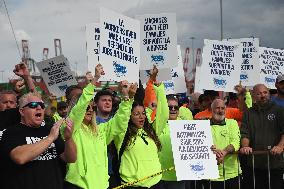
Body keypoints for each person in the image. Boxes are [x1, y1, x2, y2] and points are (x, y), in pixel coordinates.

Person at [64, 64, 138, 189]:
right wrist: (95, 80)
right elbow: (78, 109)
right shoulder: (71, 128)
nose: (89, 110)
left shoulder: (100, 129)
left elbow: (119, 122)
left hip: (102, 185)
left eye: (92, 107)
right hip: (78, 186)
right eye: (86, 108)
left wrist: (127, 98)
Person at [0, 92, 77, 189]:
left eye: (41, 105)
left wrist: (69, 138)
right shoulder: (11, 132)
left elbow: (70, 158)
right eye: (33, 105)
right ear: (22, 111)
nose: (39, 108)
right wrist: (50, 138)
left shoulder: (50, 129)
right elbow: (19, 157)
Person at [114, 83, 166, 189]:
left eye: (143, 113)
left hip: (156, 184)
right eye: (137, 114)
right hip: (132, 185)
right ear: (129, 116)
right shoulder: (121, 134)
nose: (141, 117)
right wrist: (127, 99)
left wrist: (160, 90)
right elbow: (121, 118)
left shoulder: (151, 131)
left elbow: (164, 115)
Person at [240, 84, 284, 189]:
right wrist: (245, 146)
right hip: (254, 164)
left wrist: (280, 146)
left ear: (269, 93)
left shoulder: (279, 110)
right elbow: (245, 133)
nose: (263, 95)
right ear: (253, 95)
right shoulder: (248, 113)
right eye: (259, 93)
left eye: (265, 92)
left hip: (275, 164)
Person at [203, 99, 241, 189]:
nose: (220, 111)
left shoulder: (232, 123)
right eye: (217, 108)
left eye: (222, 108)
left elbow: (236, 142)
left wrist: (224, 152)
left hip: (231, 173)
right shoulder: (203, 125)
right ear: (211, 110)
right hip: (209, 174)